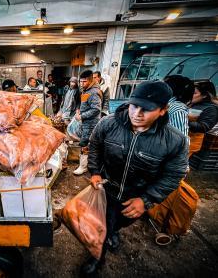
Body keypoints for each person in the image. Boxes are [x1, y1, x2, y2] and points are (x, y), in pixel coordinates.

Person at [81, 80, 188, 277]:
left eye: (146, 109)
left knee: (120, 222)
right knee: (103, 225)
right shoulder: (108, 123)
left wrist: (146, 200)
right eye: (134, 105)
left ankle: (113, 231)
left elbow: (174, 174)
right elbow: (95, 145)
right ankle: (97, 257)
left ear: (163, 110)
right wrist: (95, 171)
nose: (137, 114)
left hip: (136, 196)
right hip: (107, 188)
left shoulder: (174, 140)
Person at [73, 70, 102, 175]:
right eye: (80, 81)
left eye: (84, 82)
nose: (81, 84)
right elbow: (84, 103)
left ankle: (83, 167)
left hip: (91, 124)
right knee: (84, 142)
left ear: (90, 80)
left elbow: (96, 109)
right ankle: (84, 164)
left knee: (85, 143)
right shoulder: (85, 90)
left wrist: (82, 116)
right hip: (85, 122)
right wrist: (78, 110)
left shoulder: (94, 92)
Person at [188, 80, 218, 156]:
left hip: (190, 143)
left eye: (194, 93)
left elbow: (204, 127)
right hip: (183, 140)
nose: (190, 95)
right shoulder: (193, 103)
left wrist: (183, 121)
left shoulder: (211, 109)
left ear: (205, 95)